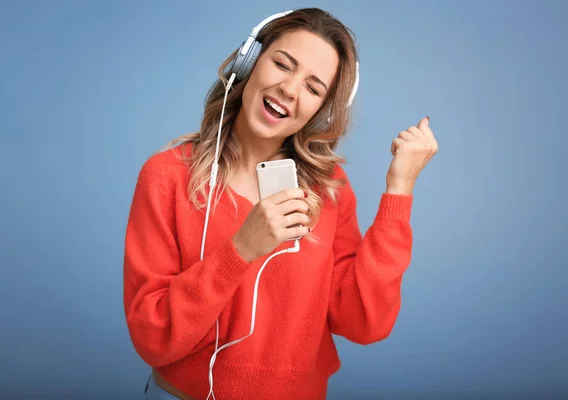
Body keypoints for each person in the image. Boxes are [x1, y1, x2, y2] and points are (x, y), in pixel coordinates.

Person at [123, 7, 438, 400]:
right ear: (249, 63)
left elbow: (364, 322)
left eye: (313, 87)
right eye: (283, 65)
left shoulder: (330, 191)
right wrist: (241, 249)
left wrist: (399, 188)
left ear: (320, 111)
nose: (290, 89)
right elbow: (152, 337)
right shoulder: (166, 175)